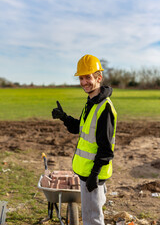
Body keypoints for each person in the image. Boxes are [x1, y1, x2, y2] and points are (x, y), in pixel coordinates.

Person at [52, 54, 117, 225]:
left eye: (88, 77)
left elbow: (106, 149)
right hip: (87, 172)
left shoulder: (105, 108)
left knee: (92, 219)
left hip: (93, 174)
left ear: (99, 77)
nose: (84, 82)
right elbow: (80, 128)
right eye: (81, 78)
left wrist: (94, 175)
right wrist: (64, 117)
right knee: (90, 216)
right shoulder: (91, 103)